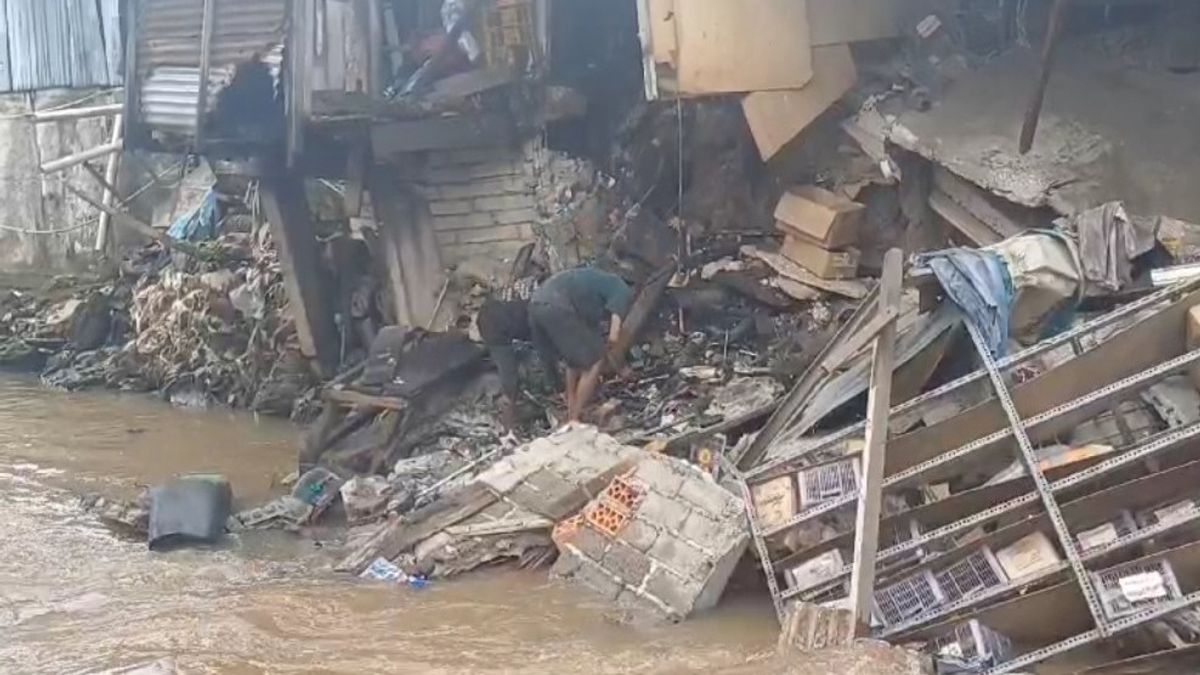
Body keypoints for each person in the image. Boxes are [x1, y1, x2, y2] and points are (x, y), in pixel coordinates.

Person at [527, 267, 633, 423]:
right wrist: (621, 368)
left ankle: (571, 406)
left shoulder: (595, 285)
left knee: (575, 359)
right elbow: (613, 337)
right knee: (593, 363)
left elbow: (580, 348)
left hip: (536, 304)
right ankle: (574, 420)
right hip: (557, 304)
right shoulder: (622, 289)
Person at [477, 297, 559, 428]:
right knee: (509, 376)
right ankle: (509, 421)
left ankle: (511, 406)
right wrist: (555, 384)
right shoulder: (541, 321)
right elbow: (545, 353)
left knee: (510, 370)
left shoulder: (540, 308)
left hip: (494, 312)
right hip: (495, 327)